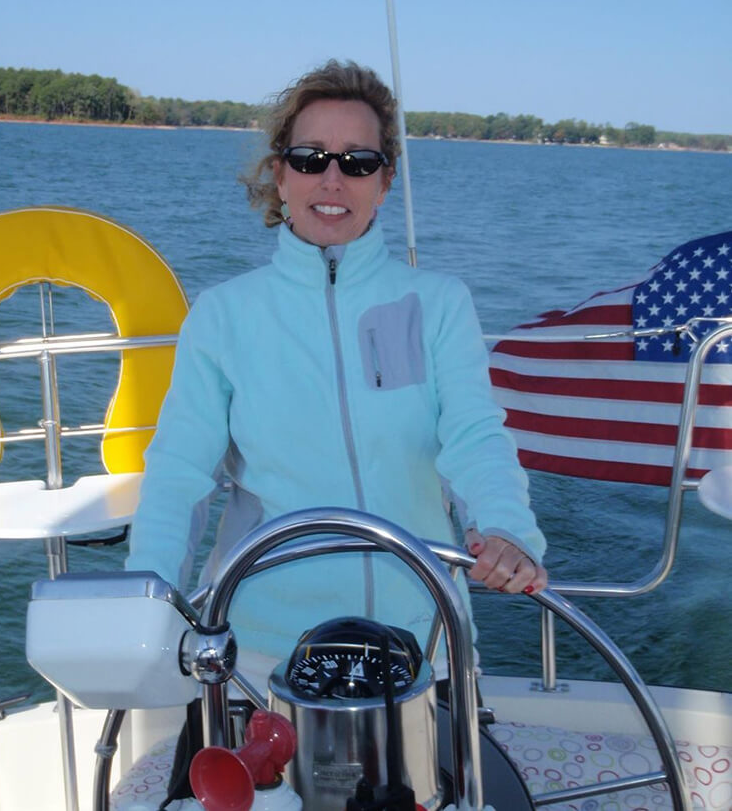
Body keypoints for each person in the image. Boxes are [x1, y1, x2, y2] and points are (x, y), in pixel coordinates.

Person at [126, 59, 546, 675]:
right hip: (263, 645)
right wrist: (148, 599)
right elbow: (178, 475)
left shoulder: (438, 303)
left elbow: (474, 437)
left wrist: (507, 528)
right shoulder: (224, 316)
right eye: (309, 158)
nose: (332, 178)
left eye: (358, 162)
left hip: (424, 637)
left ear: (384, 181)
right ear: (280, 174)